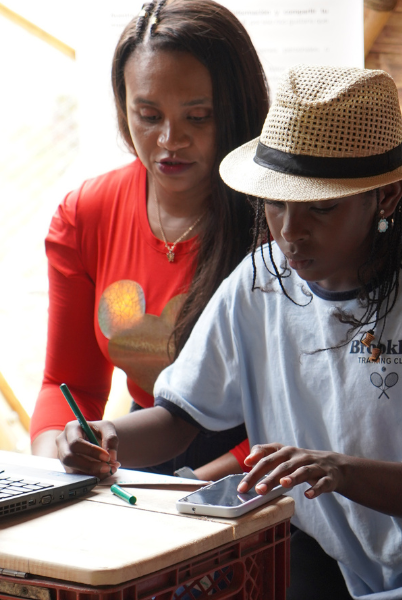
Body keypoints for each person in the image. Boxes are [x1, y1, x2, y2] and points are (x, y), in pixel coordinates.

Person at [57, 65, 402, 599]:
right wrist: (104, 438)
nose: (290, 233)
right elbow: (180, 419)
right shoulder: (259, 283)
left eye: (321, 208)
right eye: (276, 204)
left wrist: (339, 471)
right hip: (343, 568)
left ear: (383, 199)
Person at [29, 0, 268, 478]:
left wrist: (196, 486)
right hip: (141, 452)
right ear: (123, 108)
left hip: (263, 468)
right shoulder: (87, 213)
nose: (169, 139)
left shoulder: (277, 218)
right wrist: (60, 451)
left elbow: (307, 409)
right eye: (148, 115)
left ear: (237, 111)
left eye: (198, 117)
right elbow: (66, 384)